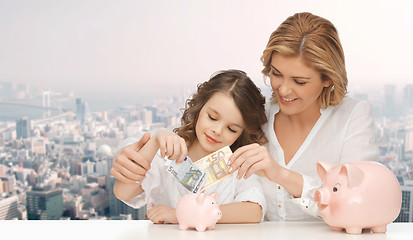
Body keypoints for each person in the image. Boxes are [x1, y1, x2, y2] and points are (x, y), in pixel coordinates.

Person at [227, 12, 380, 221]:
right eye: (276, 74)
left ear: (327, 78)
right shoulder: (257, 113)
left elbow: (358, 204)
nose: (284, 90)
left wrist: (280, 174)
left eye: (299, 81)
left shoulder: (353, 117)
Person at [111, 70, 268, 224]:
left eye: (231, 129)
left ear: (242, 133)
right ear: (199, 108)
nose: (217, 131)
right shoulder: (167, 151)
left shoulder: (238, 163)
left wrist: (184, 215)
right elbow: (123, 192)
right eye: (212, 117)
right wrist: (155, 141)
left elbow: (254, 211)